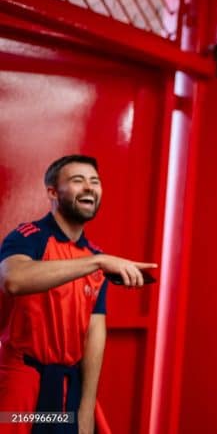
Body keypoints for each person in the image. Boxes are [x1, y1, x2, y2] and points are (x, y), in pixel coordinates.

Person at [0, 155, 157, 434]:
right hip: (19, 380)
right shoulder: (28, 236)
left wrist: (86, 408)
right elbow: (13, 280)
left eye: (95, 181)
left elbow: (95, 334)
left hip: (64, 389)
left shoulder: (95, 255)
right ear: (52, 192)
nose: (89, 187)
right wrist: (98, 263)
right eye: (77, 180)